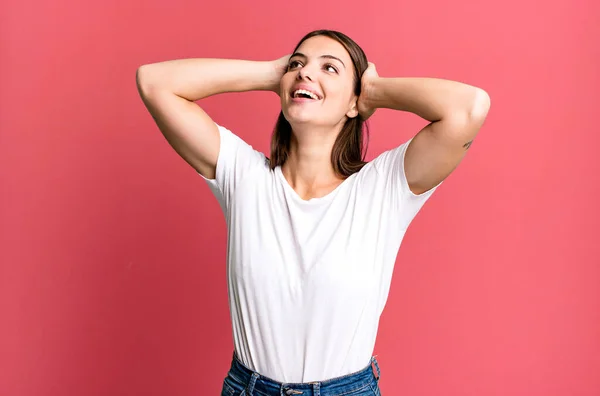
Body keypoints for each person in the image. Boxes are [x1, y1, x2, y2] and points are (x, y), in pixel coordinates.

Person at [136, 29, 490, 396]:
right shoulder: (244, 176)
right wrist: (273, 75)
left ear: (354, 102)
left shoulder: (383, 187)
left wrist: (372, 92)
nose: (306, 73)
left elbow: (469, 108)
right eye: (298, 63)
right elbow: (154, 82)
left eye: (330, 68)